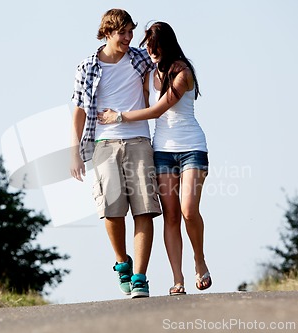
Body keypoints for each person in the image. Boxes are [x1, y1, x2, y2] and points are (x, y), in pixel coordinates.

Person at [98, 21, 212, 296]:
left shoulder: (183, 73)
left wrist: (120, 116)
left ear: (167, 46)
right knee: (170, 216)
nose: (151, 52)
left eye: (156, 47)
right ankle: (178, 280)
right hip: (161, 150)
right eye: (148, 47)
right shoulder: (149, 71)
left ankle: (200, 260)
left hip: (191, 148)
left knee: (188, 210)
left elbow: (158, 109)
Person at [70, 9, 162, 298]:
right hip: (103, 145)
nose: (128, 37)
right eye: (122, 32)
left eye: (130, 32)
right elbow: (79, 110)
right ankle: (122, 262)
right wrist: (74, 151)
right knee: (111, 210)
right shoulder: (87, 66)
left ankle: (140, 277)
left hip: (138, 140)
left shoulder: (140, 58)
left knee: (145, 207)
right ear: (107, 32)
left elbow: (165, 60)